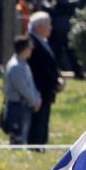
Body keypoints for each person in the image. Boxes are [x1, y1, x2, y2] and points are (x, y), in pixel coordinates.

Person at [24, 12, 62, 146]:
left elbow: (51, 64)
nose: (51, 28)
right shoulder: (32, 43)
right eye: (48, 25)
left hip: (47, 89)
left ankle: (41, 143)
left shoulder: (43, 41)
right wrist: (55, 82)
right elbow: (40, 68)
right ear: (39, 27)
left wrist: (58, 79)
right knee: (38, 119)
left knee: (44, 119)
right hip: (39, 88)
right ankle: (35, 144)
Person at [0, 36, 41, 146]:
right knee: (17, 136)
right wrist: (34, 101)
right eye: (29, 47)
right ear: (24, 48)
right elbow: (22, 88)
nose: (31, 50)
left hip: (25, 105)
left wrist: (37, 98)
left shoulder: (24, 64)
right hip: (17, 106)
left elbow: (30, 85)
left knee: (23, 134)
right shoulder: (15, 66)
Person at [39, 0, 79, 73]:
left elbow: (74, 3)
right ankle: (53, 72)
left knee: (72, 53)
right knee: (53, 53)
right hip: (53, 30)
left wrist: (59, 5)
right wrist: (64, 7)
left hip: (68, 29)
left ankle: (79, 73)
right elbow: (48, 8)